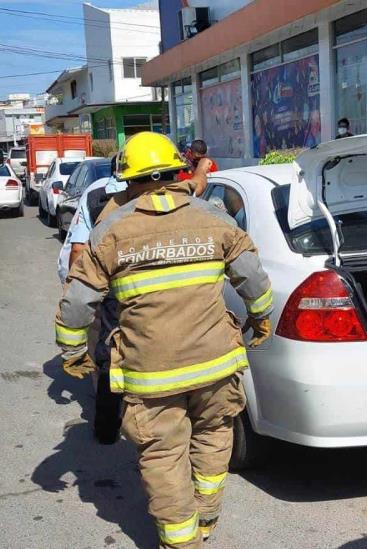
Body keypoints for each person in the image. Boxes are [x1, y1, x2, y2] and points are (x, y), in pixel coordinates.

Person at [54, 132, 273, 547]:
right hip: (215, 365)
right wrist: (260, 318)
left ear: (128, 179)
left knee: (163, 455)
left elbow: (78, 304)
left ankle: (181, 540)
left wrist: (74, 352)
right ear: (179, 170)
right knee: (213, 435)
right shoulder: (215, 218)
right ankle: (206, 519)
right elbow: (255, 281)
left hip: (151, 374)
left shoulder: (111, 229)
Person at [56, 153, 212, 445]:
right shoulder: (174, 194)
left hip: (114, 290)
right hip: (135, 290)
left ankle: (108, 427)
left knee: (110, 352)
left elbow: (79, 249)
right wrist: (202, 168)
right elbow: (196, 186)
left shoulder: (97, 196)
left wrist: (78, 288)